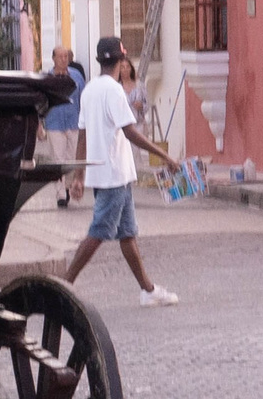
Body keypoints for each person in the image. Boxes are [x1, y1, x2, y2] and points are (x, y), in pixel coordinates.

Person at [66, 37, 182, 306]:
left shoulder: (90, 90)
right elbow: (130, 131)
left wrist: (79, 177)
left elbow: (82, 136)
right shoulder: (115, 91)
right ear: (121, 61)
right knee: (99, 232)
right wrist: (165, 156)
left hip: (108, 173)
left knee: (127, 233)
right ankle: (64, 283)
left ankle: (148, 290)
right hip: (114, 174)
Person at [38, 44, 88, 207]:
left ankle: (69, 187)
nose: (64, 59)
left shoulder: (77, 77)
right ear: (53, 59)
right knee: (58, 160)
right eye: (60, 56)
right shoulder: (46, 78)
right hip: (54, 123)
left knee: (72, 158)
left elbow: (83, 100)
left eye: (66, 56)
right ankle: (60, 194)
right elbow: (39, 102)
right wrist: (39, 124)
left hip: (74, 122)